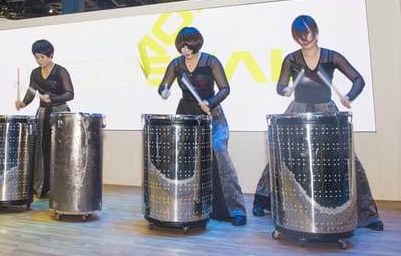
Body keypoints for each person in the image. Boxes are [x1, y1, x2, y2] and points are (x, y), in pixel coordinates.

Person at [252, 14, 384, 231]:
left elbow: (358, 79)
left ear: (315, 31)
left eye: (307, 34)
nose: (305, 39)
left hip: (326, 111)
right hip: (298, 111)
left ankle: (367, 214)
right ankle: (262, 199)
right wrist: (285, 90)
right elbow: (280, 86)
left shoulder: (331, 57)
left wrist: (349, 96)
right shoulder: (292, 59)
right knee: (281, 155)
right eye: (300, 36)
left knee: (348, 160)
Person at [158, 27, 247, 226]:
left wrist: (211, 102)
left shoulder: (210, 61)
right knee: (185, 159)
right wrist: (164, 91)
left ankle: (234, 209)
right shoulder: (176, 64)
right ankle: (187, 206)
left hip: (210, 113)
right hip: (186, 113)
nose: (185, 50)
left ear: (197, 44)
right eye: (182, 46)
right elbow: (163, 86)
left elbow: (225, 88)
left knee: (219, 152)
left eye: (188, 46)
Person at [15, 39, 74, 198]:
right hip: (42, 114)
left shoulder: (60, 71)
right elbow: (31, 92)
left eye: (42, 57)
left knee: (59, 149)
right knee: (42, 149)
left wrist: (52, 98)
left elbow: (70, 94)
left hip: (59, 114)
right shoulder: (35, 72)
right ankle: (42, 185)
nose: (39, 60)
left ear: (51, 55)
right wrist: (23, 103)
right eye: (37, 57)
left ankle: (59, 186)